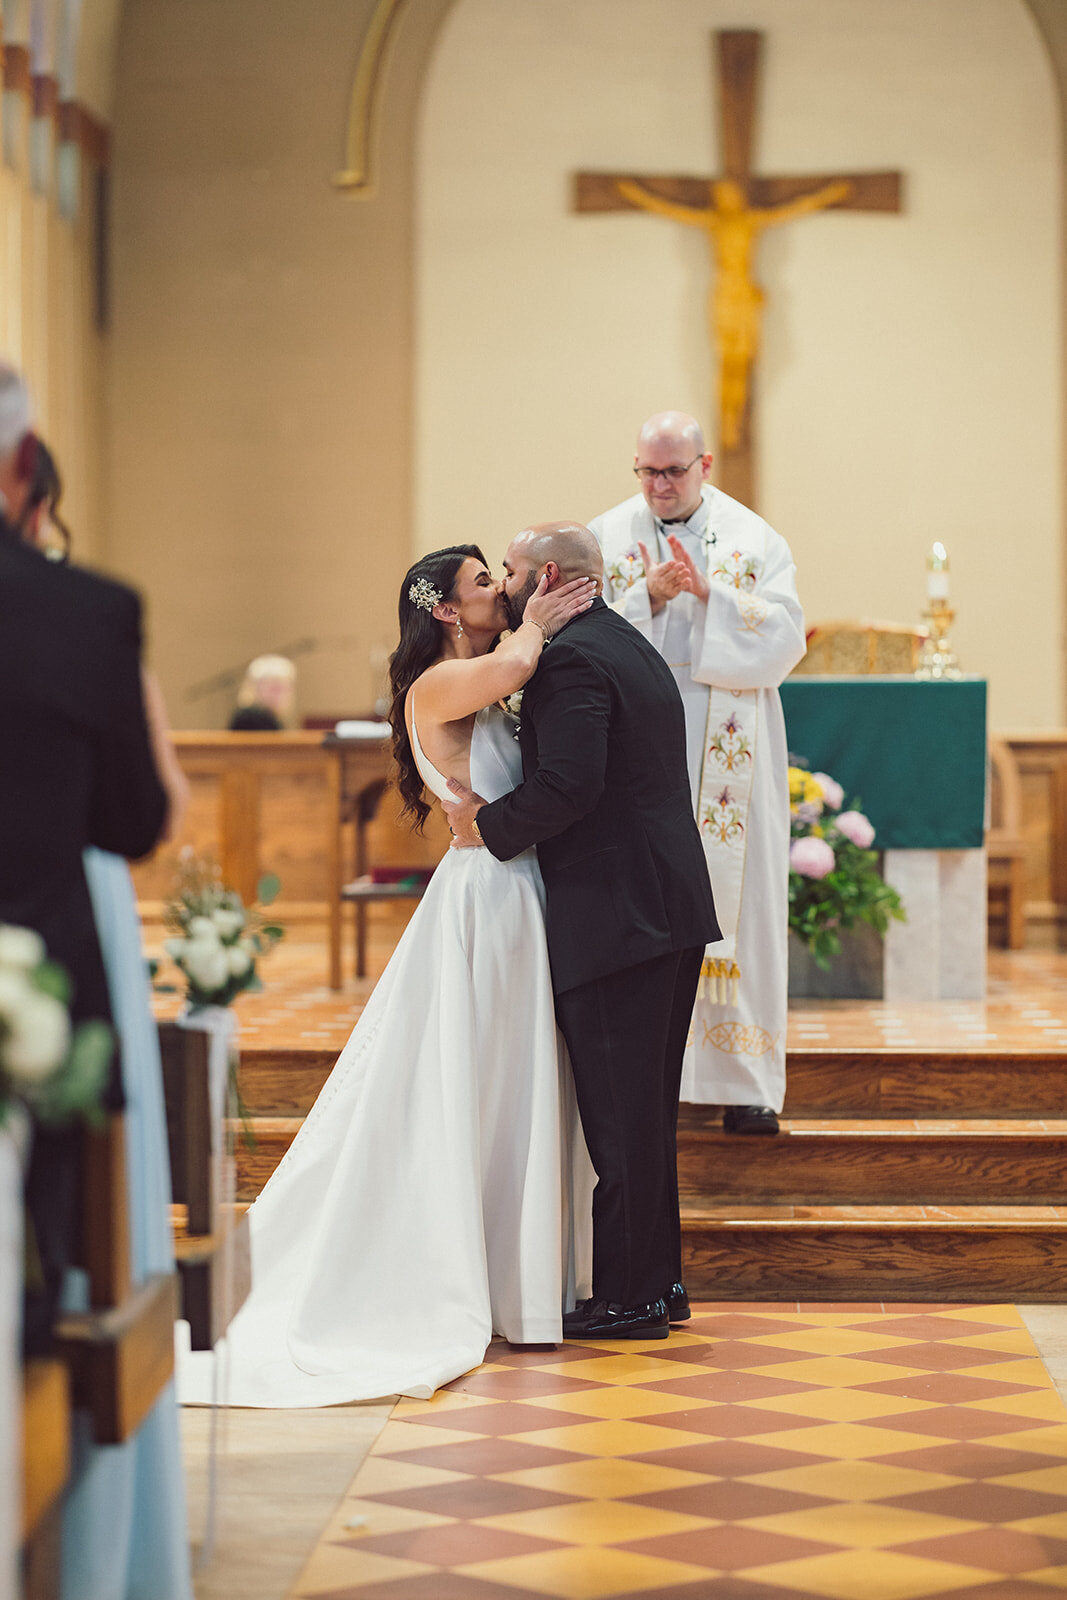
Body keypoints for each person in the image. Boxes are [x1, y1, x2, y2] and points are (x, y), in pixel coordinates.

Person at [179, 546, 597, 1406]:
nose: (503, 591)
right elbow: (520, 658)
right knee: (481, 1077)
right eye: (485, 582)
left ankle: (512, 1276)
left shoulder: (477, 675)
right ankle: (466, 1278)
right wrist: (543, 615)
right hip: (487, 899)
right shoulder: (436, 687)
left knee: (506, 1079)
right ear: (443, 610)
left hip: (513, 888)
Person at [444, 523, 720, 1342]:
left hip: (618, 915)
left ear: (548, 576)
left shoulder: (570, 660)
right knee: (645, 1111)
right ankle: (658, 1283)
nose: (506, 586)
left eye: (514, 574)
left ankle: (630, 1297)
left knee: (620, 1115)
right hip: (662, 906)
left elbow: (568, 786)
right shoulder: (623, 641)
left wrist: (484, 828)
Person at [0, 369, 169, 1354]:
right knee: (37, 1287)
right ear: (26, 467)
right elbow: (133, 819)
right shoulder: (88, 611)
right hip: (40, 977)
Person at [590, 412, 806, 1135]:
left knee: (739, 901)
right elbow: (575, 635)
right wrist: (645, 598)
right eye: (646, 471)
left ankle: (744, 1084)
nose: (658, 485)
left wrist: (713, 594)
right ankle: (649, 1079)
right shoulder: (603, 538)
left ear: (704, 464)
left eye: (673, 471)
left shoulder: (754, 539)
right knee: (645, 897)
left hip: (728, 730)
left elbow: (784, 640)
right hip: (639, 741)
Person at [228, 653, 296, 730]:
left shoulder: (272, 717)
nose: (279, 695)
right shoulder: (250, 717)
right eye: (274, 688)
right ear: (256, 688)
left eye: (284, 689)